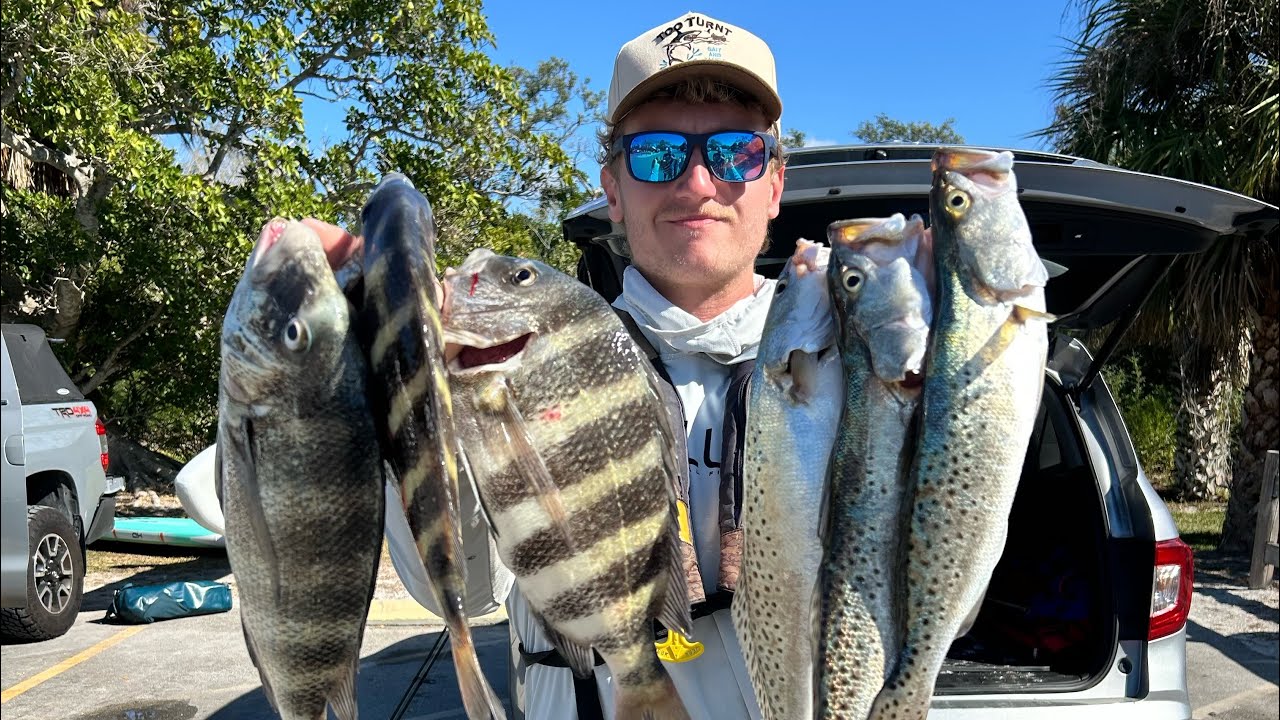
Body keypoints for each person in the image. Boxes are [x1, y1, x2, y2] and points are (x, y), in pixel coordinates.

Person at [504, 11, 786, 720]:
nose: (696, 183)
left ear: (774, 185)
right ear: (612, 190)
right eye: (658, 154)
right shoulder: (523, 362)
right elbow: (462, 588)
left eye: (735, 153)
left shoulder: (851, 364)